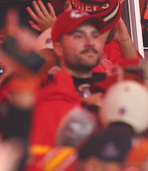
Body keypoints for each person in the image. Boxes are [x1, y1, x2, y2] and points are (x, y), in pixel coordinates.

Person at [29, 9, 108, 151]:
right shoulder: (39, 97)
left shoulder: (114, 90)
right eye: (79, 36)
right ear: (58, 49)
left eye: (94, 35)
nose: (90, 42)